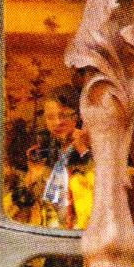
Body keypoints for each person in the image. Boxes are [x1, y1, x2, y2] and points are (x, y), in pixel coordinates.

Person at [31, 86, 94, 230]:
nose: (58, 122)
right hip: (56, 227)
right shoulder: (49, 149)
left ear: (76, 116)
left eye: (64, 115)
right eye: (50, 117)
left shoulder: (92, 143)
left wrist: (83, 149)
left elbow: (105, 184)